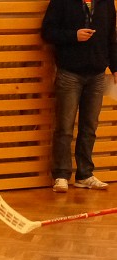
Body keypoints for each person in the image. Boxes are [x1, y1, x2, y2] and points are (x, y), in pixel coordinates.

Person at [41, 0, 117, 193]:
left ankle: (85, 174)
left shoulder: (107, 3)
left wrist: (115, 67)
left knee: (89, 127)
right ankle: (61, 175)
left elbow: (112, 36)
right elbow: (48, 32)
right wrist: (73, 36)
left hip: (97, 74)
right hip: (69, 73)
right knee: (64, 128)